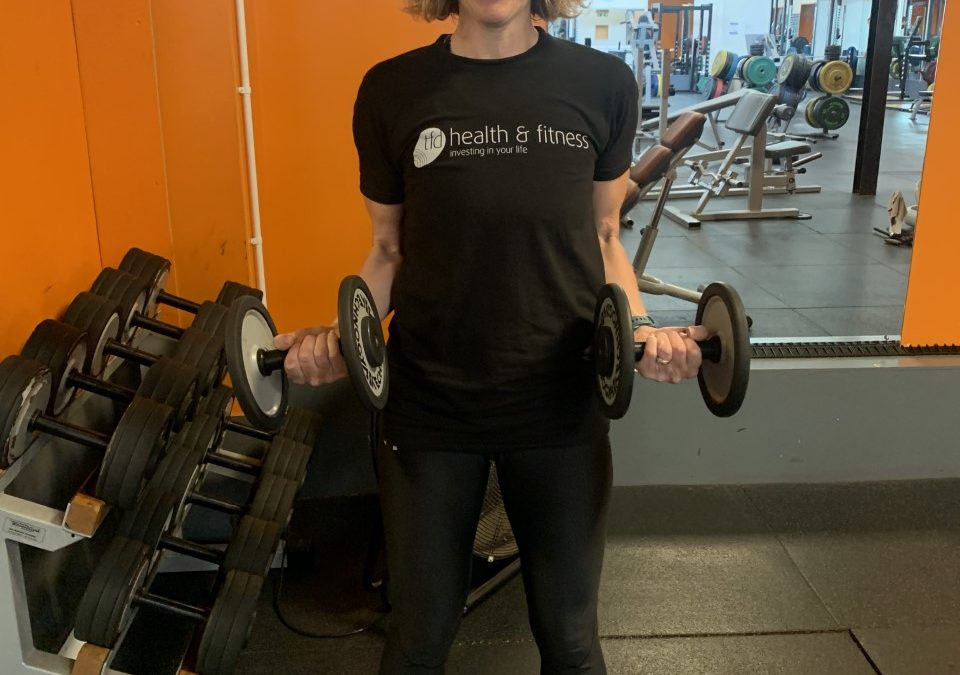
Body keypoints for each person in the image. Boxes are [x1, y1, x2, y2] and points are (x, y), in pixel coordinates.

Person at [275, 1, 705, 672]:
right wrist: (339, 338)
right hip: (430, 402)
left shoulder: (603, 83)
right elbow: (387, 249)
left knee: (569, 637)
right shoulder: (392, 88)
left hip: (559, 400)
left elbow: (604, 235)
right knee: (419, 636)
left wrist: (642, 330)